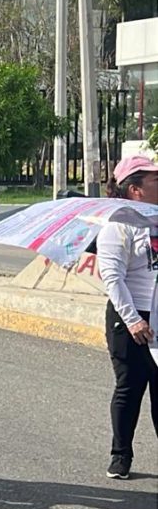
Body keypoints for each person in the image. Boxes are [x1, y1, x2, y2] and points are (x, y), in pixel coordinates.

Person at [96, 155, 158, 480]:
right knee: (130, 387)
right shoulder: (118, 224)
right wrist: (134, 319)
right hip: (128, 316)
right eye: (155, 181)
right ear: (135, 189)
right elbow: (113, 278)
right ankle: (121, 456)